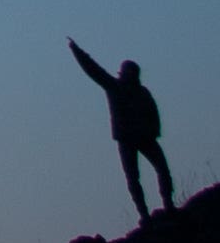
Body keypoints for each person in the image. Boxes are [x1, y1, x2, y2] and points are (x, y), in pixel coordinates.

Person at [68, 39, 173, 224]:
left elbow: (153, 113)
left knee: (154, 172)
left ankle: (163, 206)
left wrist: (154, 132)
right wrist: (77, 51)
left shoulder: (136, 91)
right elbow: (93, 69)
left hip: (140, 138)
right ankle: (147, 213)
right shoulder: (119, 87)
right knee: (137, 177)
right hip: (130, 139)